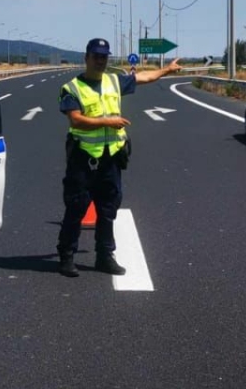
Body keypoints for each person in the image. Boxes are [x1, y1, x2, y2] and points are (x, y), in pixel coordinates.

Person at [56, 38, 182, 277]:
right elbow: (75, 119)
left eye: (104, 57)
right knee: (76, 208)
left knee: (107, 209)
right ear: (87, 58)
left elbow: (143, 77)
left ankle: (104, 256)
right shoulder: (71, 88)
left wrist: (166, 70)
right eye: (96, 56)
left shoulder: (114, 80)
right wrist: (107, 122)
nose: (101, 61)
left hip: (111, 158)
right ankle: (67, 256)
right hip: (83, 158)